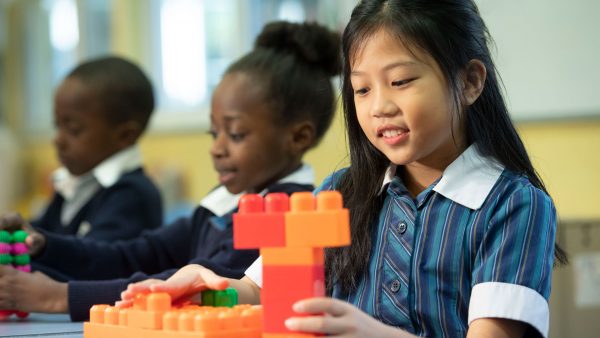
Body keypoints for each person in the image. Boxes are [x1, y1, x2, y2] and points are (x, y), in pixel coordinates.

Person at [122, 1, 568, 337]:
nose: (379, 107)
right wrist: (206, 290)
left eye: (401, 82)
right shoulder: (339, 194)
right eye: (361, 89)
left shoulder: (514, 206)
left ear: (469, 81)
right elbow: (262, 292)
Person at [0, 21, 341, 322]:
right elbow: (137, 254)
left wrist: (59, 296)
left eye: (235, 134)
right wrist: (45, 245)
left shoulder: (288, 212)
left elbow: (189, 284)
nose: (216, 147)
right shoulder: (224, 201)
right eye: (213, 133)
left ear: (298, 137)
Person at [30, 56, 162, 240]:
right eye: (57, 125)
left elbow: (93, 263)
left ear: (125, 136)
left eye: (73, 130)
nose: (58, 140)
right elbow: (39, 234)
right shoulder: (73, 184)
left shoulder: (131, 195)